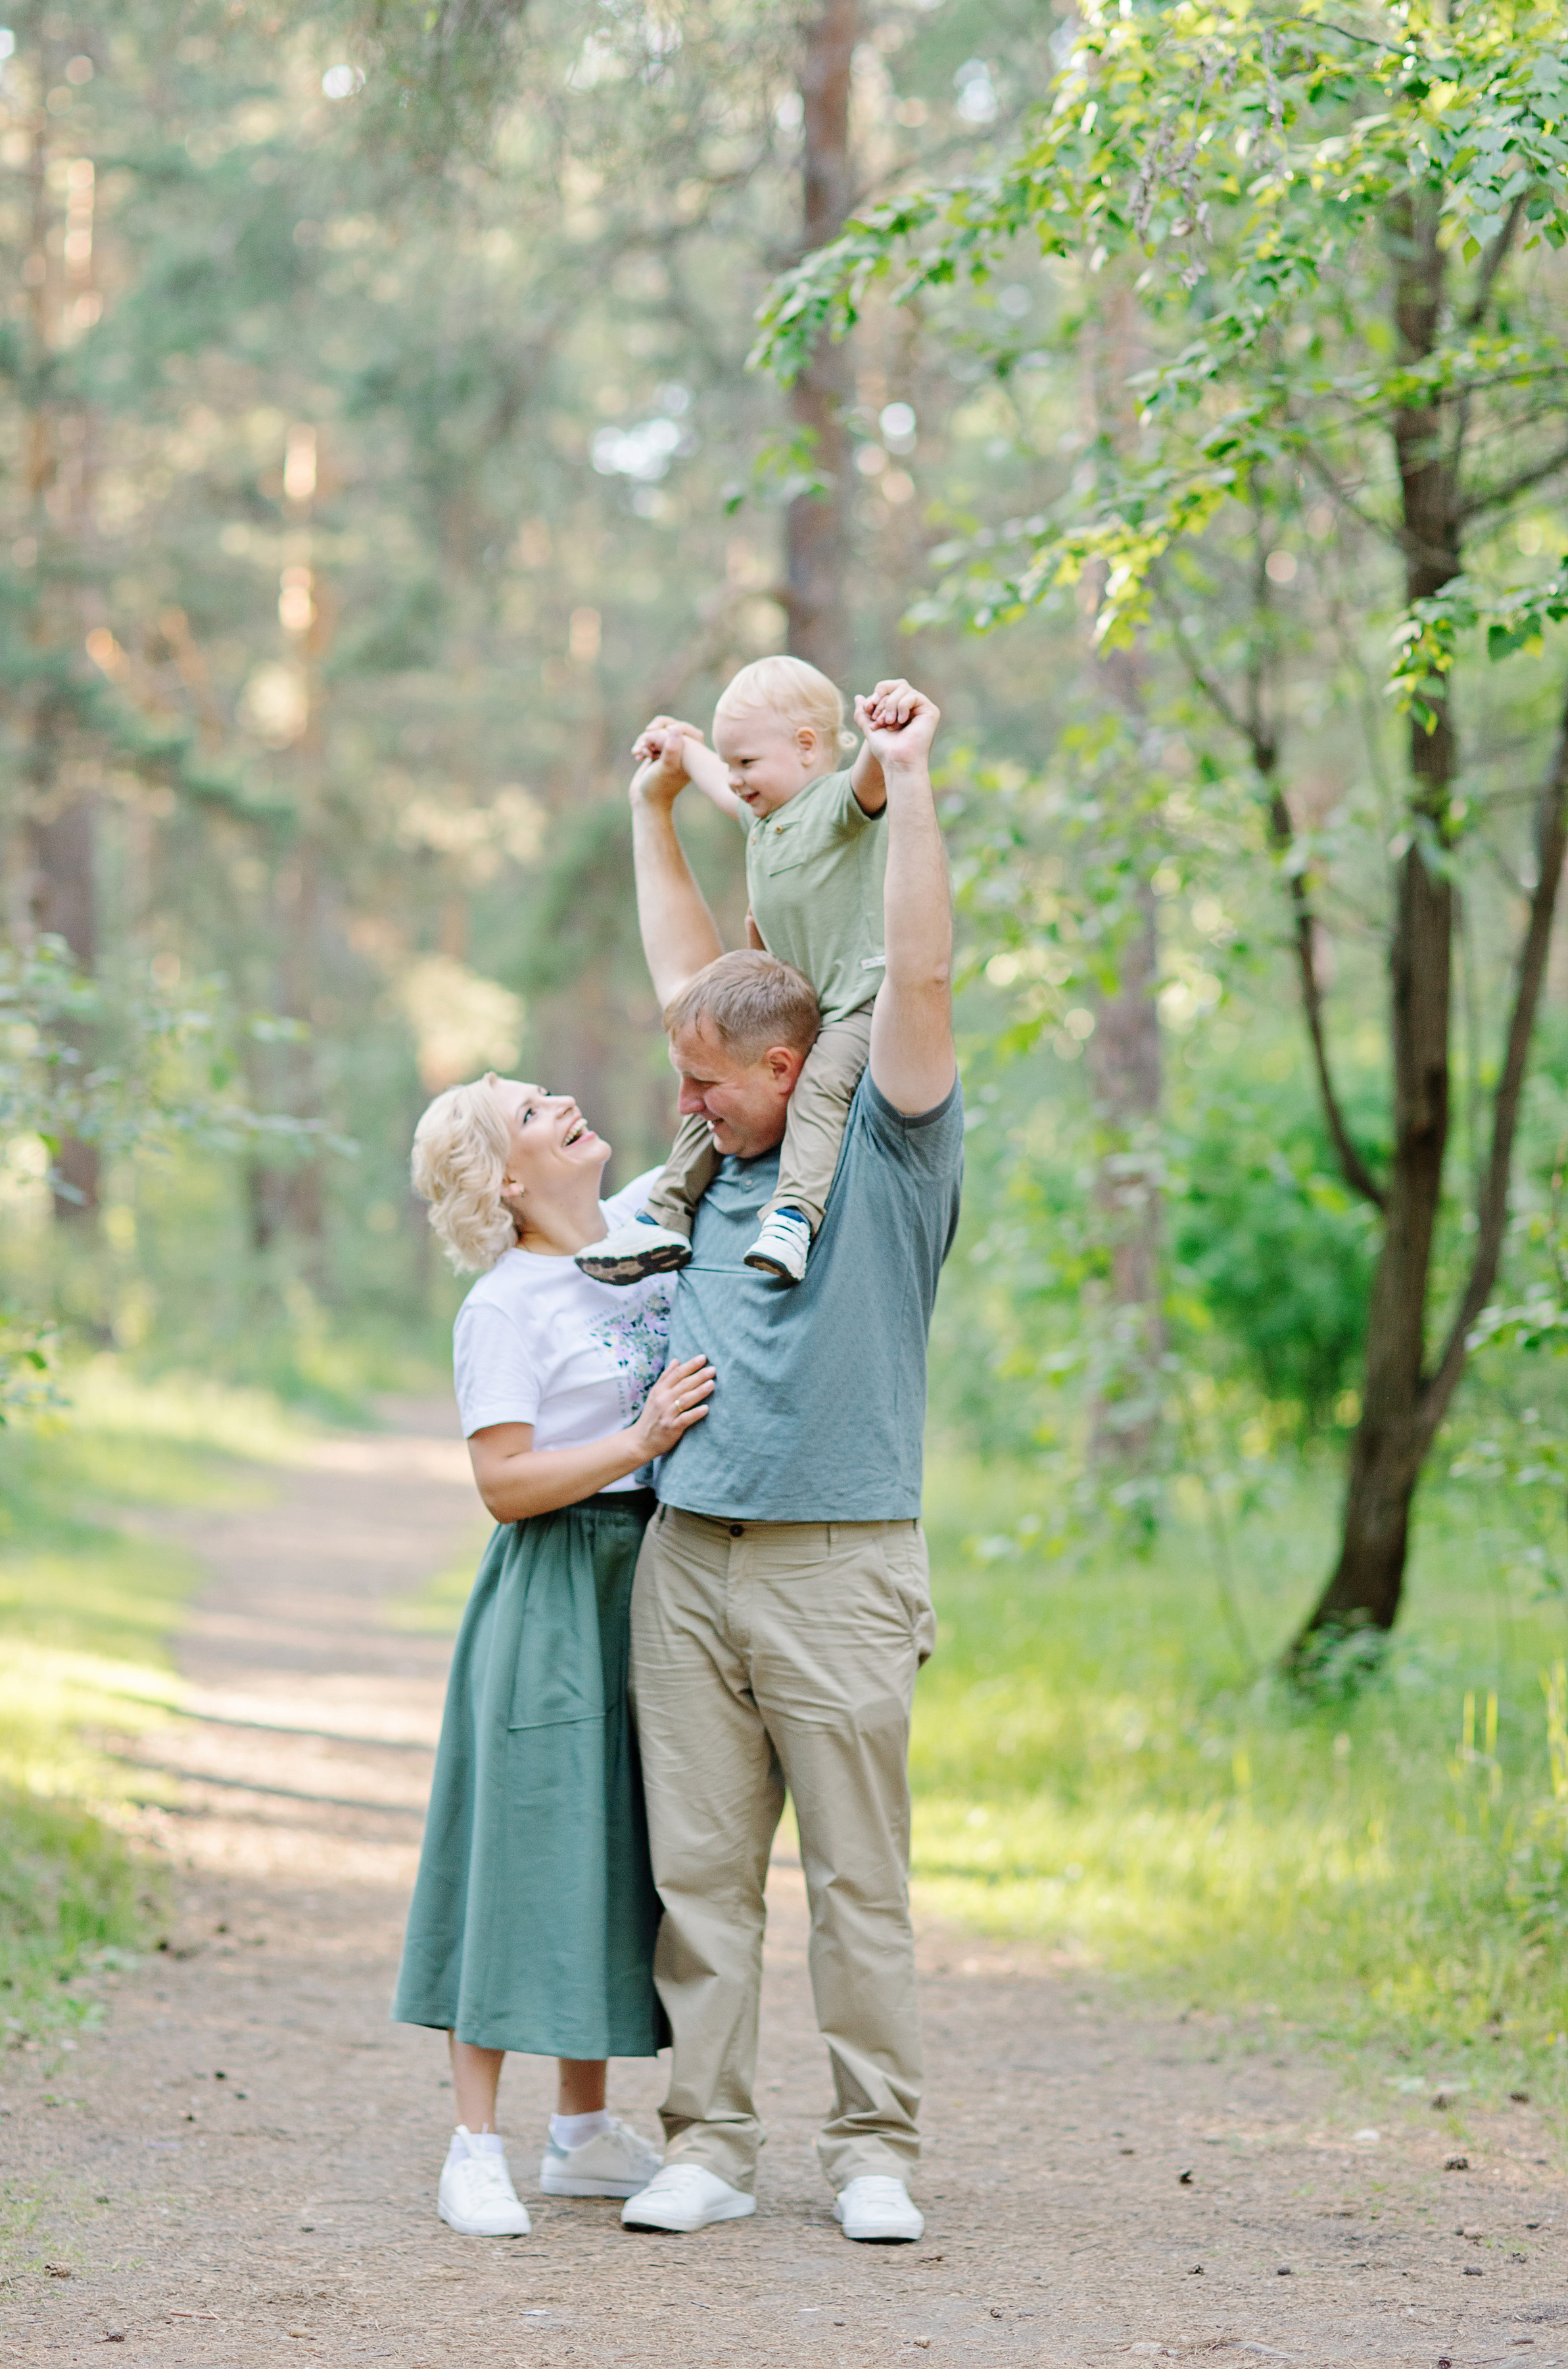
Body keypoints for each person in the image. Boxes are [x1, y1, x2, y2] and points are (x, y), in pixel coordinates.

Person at [614, 682, 962, 2244]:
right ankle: (706, 2142)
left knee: (855, 1885)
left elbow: (924, 972)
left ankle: (872, 2149)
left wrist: (904, 780)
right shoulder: (722, 1128)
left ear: (783, 1063)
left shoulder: (884, 1137)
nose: (679, 1112)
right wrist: (653, 812)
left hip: (837, 1558)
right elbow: (689, 976)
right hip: (689, 1558)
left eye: (705, 1086)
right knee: (697, 1878)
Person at [394, 1071, 716, 2239]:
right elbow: (501, 1482)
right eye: (532, 1111)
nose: (566, 1099)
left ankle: (582, 2131)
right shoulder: (504, 1306)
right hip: (552, 1587)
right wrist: (637, 1437)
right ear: (507, 1180)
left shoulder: (640, 1229)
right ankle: (472, 2144)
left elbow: (711, 1098)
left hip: (658, 1575)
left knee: (619, 1844)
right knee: (519, 1842)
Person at [577, 657, 927, 1290]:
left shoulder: (837, 806)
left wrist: (883, 731)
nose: (735, 780)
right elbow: (710, 775)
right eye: (732, 763)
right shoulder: (763, 821)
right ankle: (664, 1215)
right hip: (793, 1014)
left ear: (805, 747)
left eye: (748, 764)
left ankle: (793, 1216)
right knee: (710, 1086)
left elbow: (874, 775)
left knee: (819, 1087)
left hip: (854, 1007)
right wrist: (681, 749)